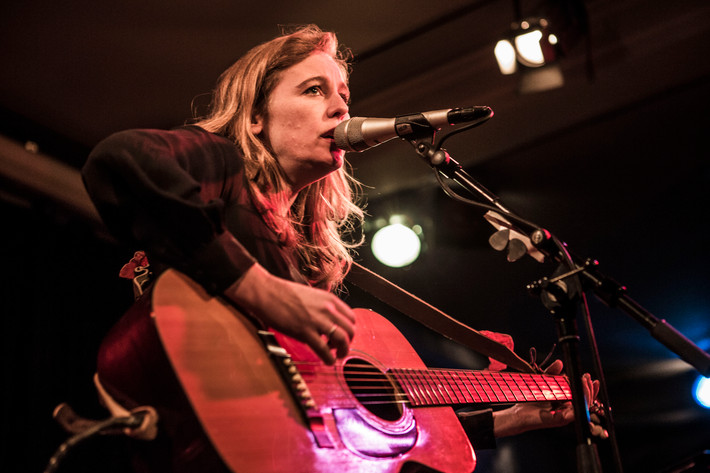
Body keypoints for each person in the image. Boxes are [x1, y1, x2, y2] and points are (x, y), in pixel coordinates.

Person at [82, 24, 604, 472]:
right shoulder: (220, 165)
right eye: (313, 90)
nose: (338, 107)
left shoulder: (302, 256)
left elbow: (337, 421)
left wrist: (507, 418)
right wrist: (256, 287)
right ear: (256, 115)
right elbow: (120, 159)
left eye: (344, 96)